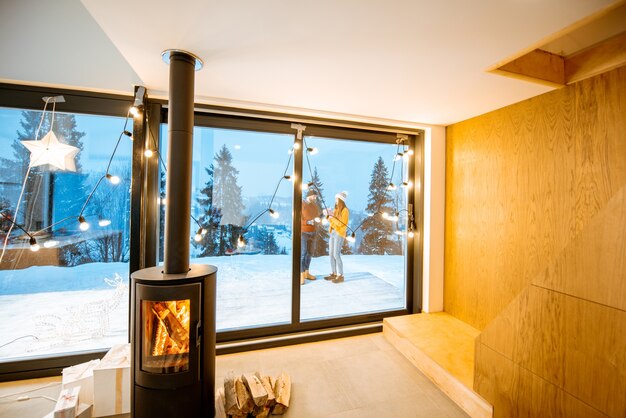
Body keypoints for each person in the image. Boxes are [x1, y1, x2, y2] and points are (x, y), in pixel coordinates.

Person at [326, 191, 349, 283]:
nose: (335, 201)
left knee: (336, 254)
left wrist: (333, 218)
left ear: (341, 200)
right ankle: (334, 273)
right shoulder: (336, 210)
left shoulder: (345, 210)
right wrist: (329, 216)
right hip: (333, 232)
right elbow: (333, 222)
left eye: (337, 199)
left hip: (340, 233)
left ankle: (341, 275)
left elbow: (342, 224)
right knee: (331, 254)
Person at [301, 189, 319, 284]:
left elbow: (317, 217)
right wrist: (308, 222)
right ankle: (301, 274)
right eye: (314, 196)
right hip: (303, 232)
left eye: (316, 197)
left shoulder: (314, 206)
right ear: (309, 195)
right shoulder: (301, 204)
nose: (315, 198)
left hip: (313, 232)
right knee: (303, 253)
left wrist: (321, 217)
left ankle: (307, 272)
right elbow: (297, 219)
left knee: (309, 253)